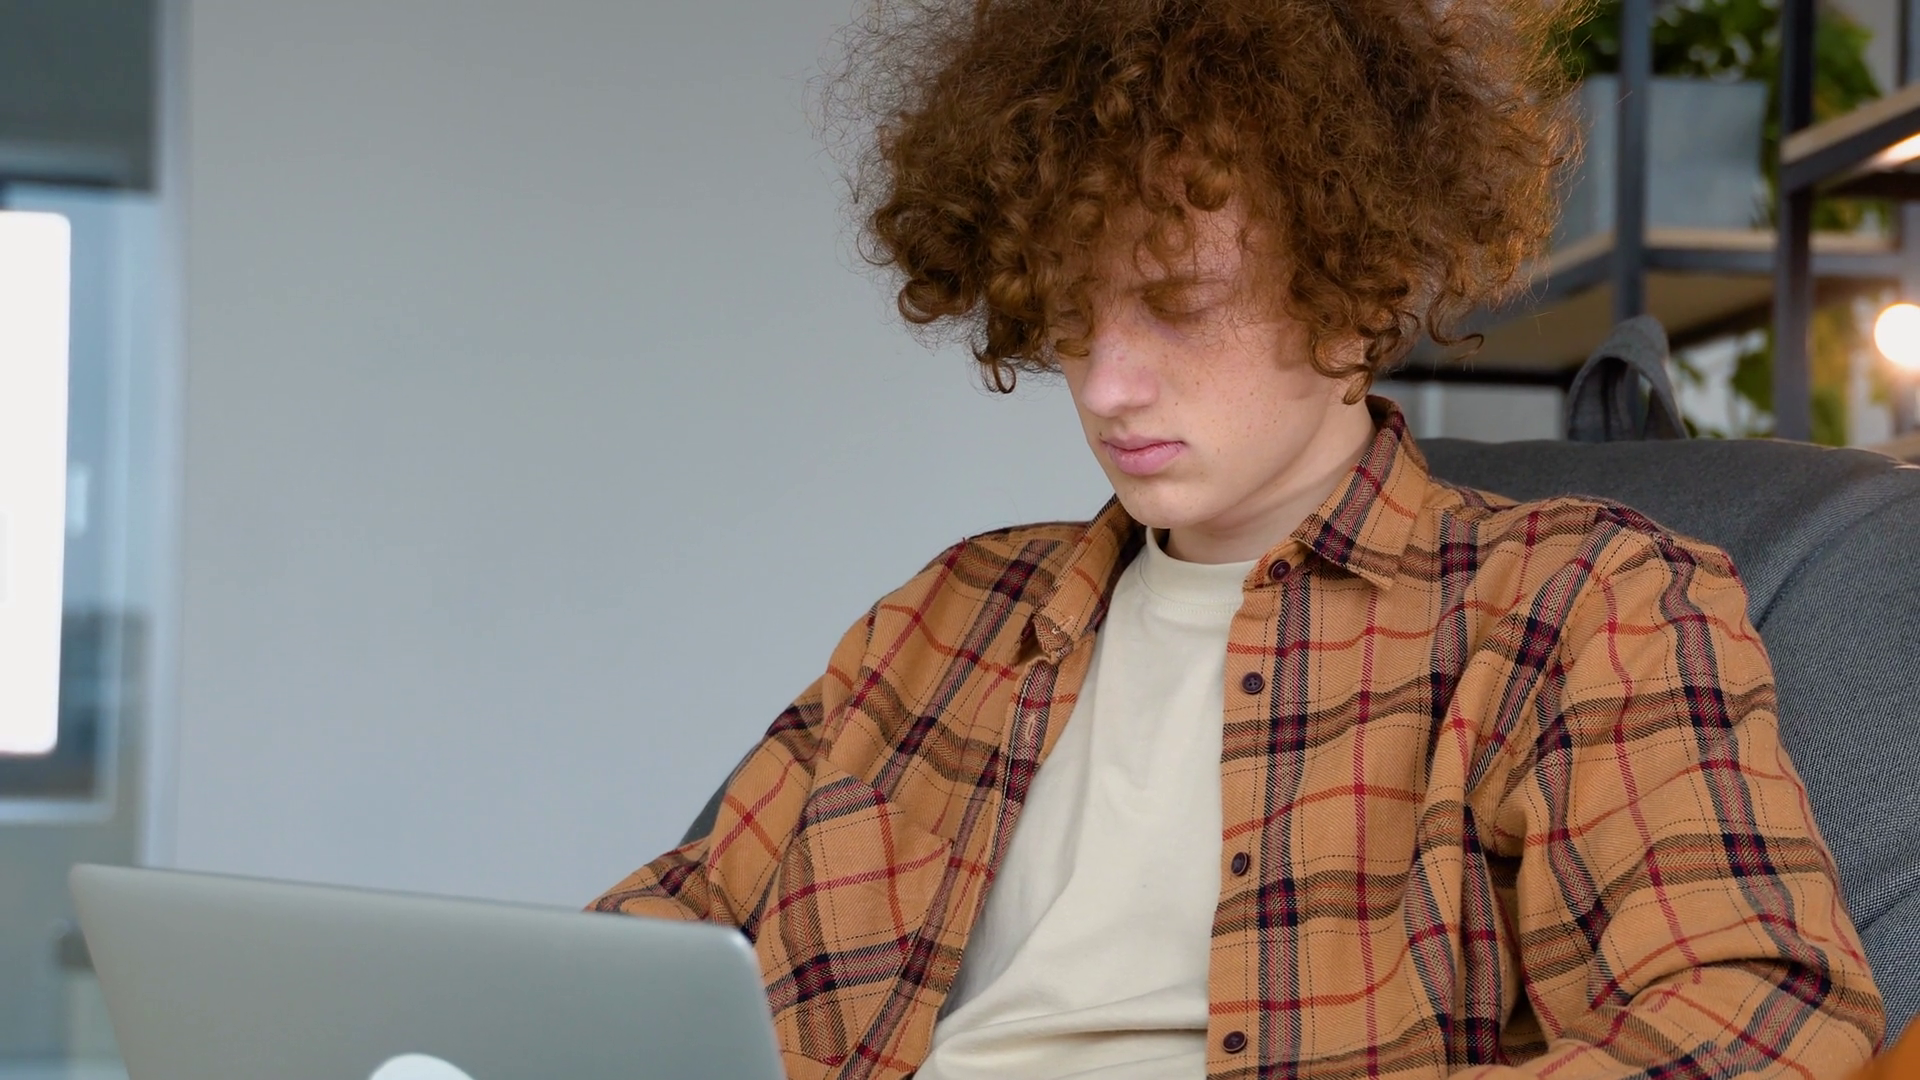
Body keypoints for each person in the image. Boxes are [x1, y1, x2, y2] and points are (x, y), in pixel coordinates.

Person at [589, 0, 1887, 1076]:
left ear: (1359, 279)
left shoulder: (1580, 604)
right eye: (1070, 316)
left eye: (1180, 304)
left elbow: (1757, 1017)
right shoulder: (940, 620)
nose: (1106, 386)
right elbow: (630, 971)